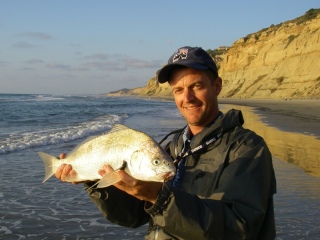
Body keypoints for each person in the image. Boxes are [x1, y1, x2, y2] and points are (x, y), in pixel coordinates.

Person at [55, 46, 277, 239]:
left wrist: (157, 196)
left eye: (197, 86)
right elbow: (132, 217)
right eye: (178, 90)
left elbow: (238, 228)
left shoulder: (247, 148)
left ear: (216, 86)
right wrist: (92, 178)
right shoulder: (175, 147)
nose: (187, 98)